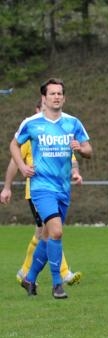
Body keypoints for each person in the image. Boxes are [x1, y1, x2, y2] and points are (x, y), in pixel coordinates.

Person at [9, 78, 92, 299]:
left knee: (47, 237)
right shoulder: (32, 123)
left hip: (63, 188)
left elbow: (88, 149)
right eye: (52, 93)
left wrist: (80, 149)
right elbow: (14, 145)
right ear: (44, 98)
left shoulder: (73, 123)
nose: (56, 97)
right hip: (41, 188)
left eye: (59, 93)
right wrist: (22, 166)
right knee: (56, 231)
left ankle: (29, 279)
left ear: (64, 98)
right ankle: (57, 284)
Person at [1, 99, 83, 286]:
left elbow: (72, 158)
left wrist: (76, 173)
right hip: (38, 192)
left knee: (44, 233)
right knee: (52, 232)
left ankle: (27, 275)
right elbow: (14, 162)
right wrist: (7, 187)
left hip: (59, 191)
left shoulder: (61, 132)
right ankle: (62, 274)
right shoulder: (32, 134)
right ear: (39, 109)